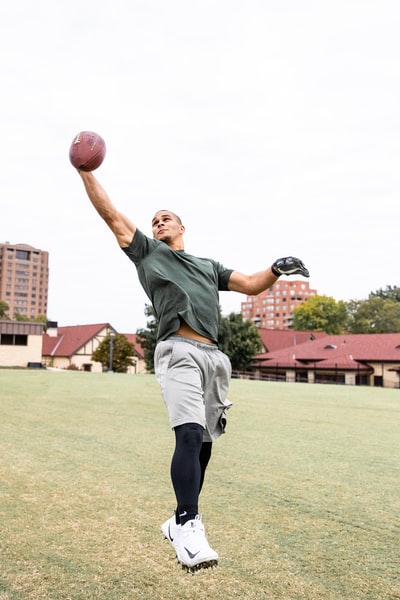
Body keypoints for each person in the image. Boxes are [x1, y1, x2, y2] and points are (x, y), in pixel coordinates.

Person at [77, 169, 310, 572]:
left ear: (182, 226)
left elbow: (253, 284)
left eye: (166, 218)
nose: (158, 223)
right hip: (177, 350)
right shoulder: (148, 252)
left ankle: (178, 519)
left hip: (214, 359)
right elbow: (111, 214)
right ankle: (187, 524)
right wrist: (86, 172)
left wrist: (276, 268)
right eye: (154, 220)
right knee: (186, 432)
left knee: (203, 441)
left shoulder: (208, 266)